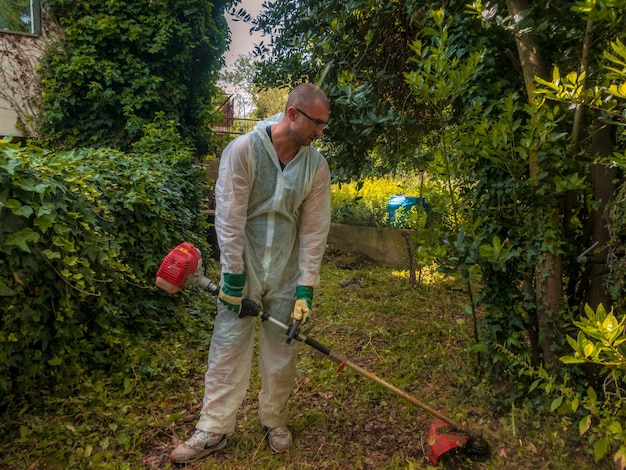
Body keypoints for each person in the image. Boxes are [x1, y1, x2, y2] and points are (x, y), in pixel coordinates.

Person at [170, 83, 332, 464]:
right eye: (316, 123)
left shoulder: (316, 166)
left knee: (283, 348)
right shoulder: (244, 150)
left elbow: (314, 229)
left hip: (286, 268)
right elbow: (229, 215)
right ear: (292, 113)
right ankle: (213, 428)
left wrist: (306, 286)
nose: (320, 132)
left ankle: (274, 419)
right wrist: (234, 275)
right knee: (228, 344)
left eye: (324, 125)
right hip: (245, 265)